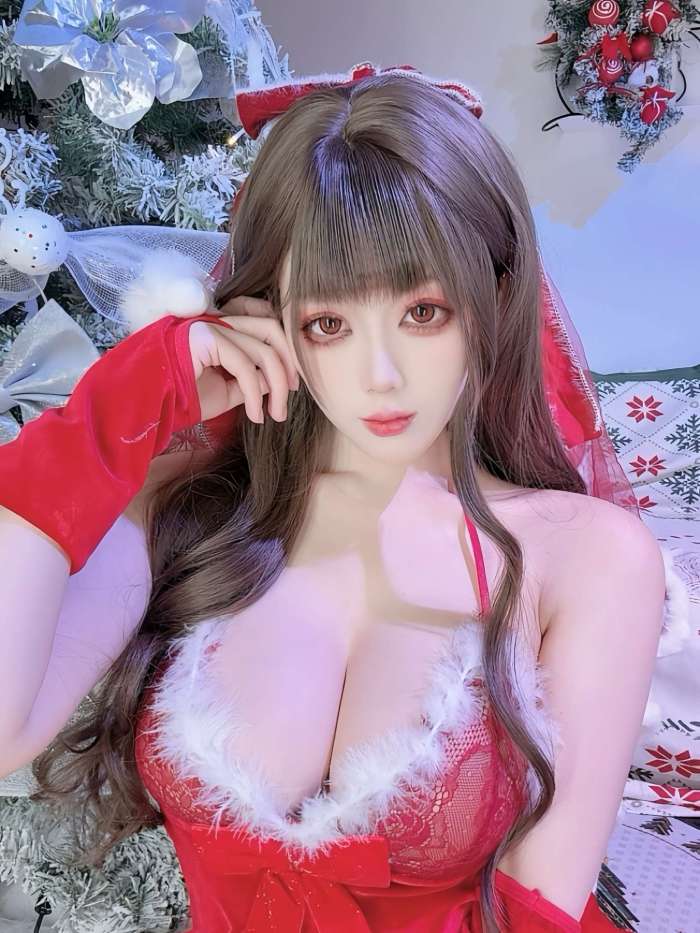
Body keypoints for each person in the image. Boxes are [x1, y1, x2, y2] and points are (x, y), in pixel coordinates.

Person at [0, 62, 667, 932]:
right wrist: (114, 411)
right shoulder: (186, 511)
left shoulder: (588, 555)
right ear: (266, 317)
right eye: (328, 323)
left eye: (423, 312)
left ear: (497, 295)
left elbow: (538, 912)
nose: (379, 374)